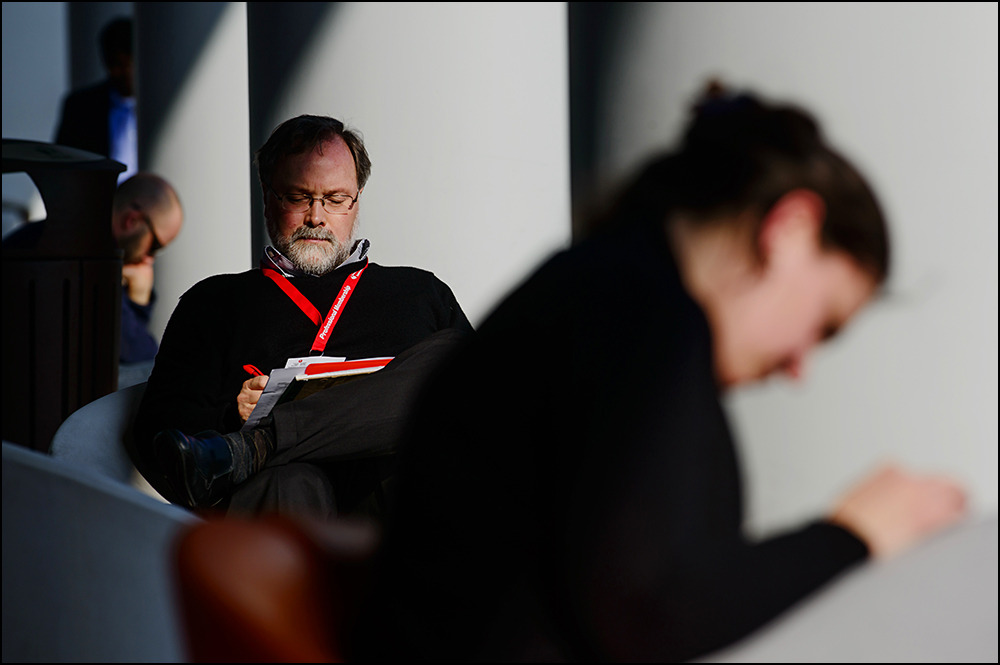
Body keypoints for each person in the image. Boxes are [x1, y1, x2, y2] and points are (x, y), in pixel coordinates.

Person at [350, 89, 966, 661]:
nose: (799, 365)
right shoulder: (645, 318)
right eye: (822, 323)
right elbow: (645, 613)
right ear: (791, 229)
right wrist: (851, 534)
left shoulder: (608, 291)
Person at [130, 115, 472, 519]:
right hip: (287, 505)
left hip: (392, 499)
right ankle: (262, 453)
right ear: (267, 196)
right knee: (288, 484)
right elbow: (157, 437)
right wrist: (231, 416)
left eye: (335, 199)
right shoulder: (215, 302)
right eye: (298, 197)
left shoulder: (419, 293)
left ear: (357, 201)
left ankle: (261, 446)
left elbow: (484, 403)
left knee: (454, 358)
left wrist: (263, 432)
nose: (316, 216)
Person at [114, 173, 184, 385]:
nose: (149, 259)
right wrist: (138, 302)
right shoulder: (91, 259)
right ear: (131, 220)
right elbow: (140, 356)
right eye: (154, 246)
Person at [54, 17, 137, 183]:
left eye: (128, 63)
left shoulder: (167, 106)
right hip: (96, 204)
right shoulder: (81, 107)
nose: (124, 72)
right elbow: (61, 166)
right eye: (116, 64)